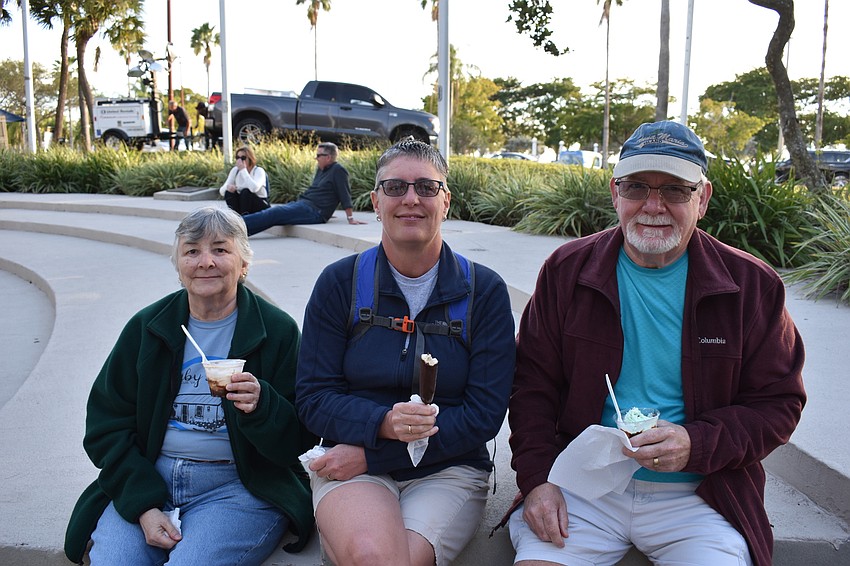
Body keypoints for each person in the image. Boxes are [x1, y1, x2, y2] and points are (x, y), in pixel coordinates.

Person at [505, 121, 806, 566]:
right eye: (637, 187)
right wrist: (536, 481)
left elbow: (778, 404)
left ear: (701, 199)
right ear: (615, 193)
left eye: (675, 191)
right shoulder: (566, 271)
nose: (652, 206)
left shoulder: (752, 286)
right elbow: (531, 386)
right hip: (582, 489)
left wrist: (695, 443)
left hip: (700, 493)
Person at [295, 139, 516, 565]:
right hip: (350, 458)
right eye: (395, 187)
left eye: (427, 188)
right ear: (376, 201)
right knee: (372, 555)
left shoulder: (484, 291)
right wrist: (381, 424)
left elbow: (484, 415)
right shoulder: (339, 284)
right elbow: (313, 398)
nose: (411, 199)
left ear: (446, 200)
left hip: (447, 467)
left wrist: (379, 450)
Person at [64, 206, 316, 565]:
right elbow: (106, 426)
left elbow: (301, 436)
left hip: (239, 487)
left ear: (244, 263)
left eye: (221, 249)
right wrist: (144, 505)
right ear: (178, 265)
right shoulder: (147, 327)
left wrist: (263, 407)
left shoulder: (276, 331)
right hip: (152, 474)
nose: (205, 262)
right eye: (192, 250)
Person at [241, 142, 366, 236]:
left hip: (314, 212)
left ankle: (235, 226)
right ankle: (239, 231)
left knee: (274, 213)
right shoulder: (321, 170)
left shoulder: (339, 171)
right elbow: (322, 192)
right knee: (273, 214)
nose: (316, 158)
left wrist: (350, 218)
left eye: (318, 155)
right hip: (304, 205)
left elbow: (344, 194)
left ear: (328, 157)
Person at [219, 145, 271, 215]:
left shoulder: (258, 171)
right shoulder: (235, 170)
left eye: (243, 158)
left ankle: (245, 218)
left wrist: (243, 170)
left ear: (250, 158)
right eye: (238, 158)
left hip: (260, 204)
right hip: (243, 204)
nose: (240, 161)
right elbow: (222, 191)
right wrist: (228, 187)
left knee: (245, 192)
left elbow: (254, 188)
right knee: (229, 193)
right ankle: (235, 217)